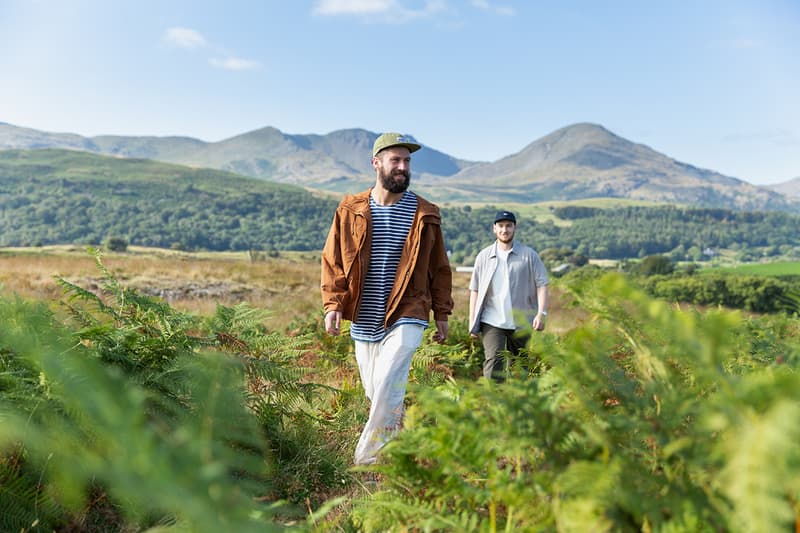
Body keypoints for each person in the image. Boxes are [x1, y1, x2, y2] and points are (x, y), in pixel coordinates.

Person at [321, 132, 453, 465]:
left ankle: (367, 460)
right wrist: (333, 304)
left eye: (407, 161)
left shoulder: (426, 214)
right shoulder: (350, 209)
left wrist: (442, 311)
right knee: (378, 390)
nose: (403, 167)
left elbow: (439, 266)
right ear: (376, 163)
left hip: (409, 308)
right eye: (396, 160)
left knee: (390, 377)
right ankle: (397, 448)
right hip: (365, 312)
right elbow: (333, 258)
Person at [469, 210, 549, 382]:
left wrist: (541, 313)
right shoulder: (483, 256)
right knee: (493, 363)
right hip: (492, 321)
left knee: (522, 367)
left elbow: (542, 284)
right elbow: (474, 289)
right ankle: (493, 404)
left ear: (515, 228)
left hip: (522, 321)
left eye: (508, 226)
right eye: (501, 226)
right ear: (494, 228)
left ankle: (519, 404)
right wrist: (472, 321)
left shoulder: (529, 255)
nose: (504, 230)